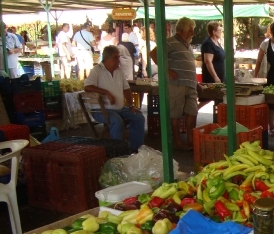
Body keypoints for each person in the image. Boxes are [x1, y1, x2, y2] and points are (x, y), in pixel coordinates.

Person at [150, 17, 199, 151]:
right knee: (175, 113)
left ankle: (190, 139)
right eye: (190, 30)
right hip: (176, 83)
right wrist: (167, 70)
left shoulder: (188, 45)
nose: (192, 33)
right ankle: (178, 141)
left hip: (190, 84)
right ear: (181, 30)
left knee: (192, 111)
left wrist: (196, 82)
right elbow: (153, 54)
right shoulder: (169, 42)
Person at [84, 45, 145, 152]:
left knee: (139, 117)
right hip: (101, 110)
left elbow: (126, 89)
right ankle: (117, 152)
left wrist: (131, 106)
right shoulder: (97, 70)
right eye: (116, 58)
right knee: (117, 121)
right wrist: (106, 92)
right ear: (107, 59)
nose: (118, 61)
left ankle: (135, 149)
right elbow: (87, 87)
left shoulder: (119, 71)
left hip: (120, 109)